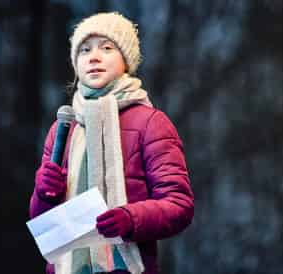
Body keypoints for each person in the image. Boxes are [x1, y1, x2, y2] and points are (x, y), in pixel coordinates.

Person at [29, 12, 194, 274]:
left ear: (126, 60)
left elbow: (178, 205)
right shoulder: (63, 127)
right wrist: (43, 193)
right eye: (84, 50)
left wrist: (130, 219)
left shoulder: (150, 122)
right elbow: (42, 222)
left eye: (106, 48)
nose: (93, 57)